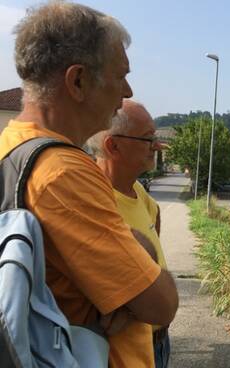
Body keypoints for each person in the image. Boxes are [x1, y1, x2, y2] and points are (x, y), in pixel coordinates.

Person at [1, 3, 178, 367]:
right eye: (120, 75)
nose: (127, 92)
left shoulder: (12, 147)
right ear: (78, 81)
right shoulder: (63, 173)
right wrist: (140, 245)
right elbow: (161, 306)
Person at [87, 99, 171, 368]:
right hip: (122, 353)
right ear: (113, 146)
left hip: (158, 341)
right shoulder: (94, 202)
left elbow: (155, 240)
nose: (157, 146)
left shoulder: (139, 192)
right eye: (148, 138)